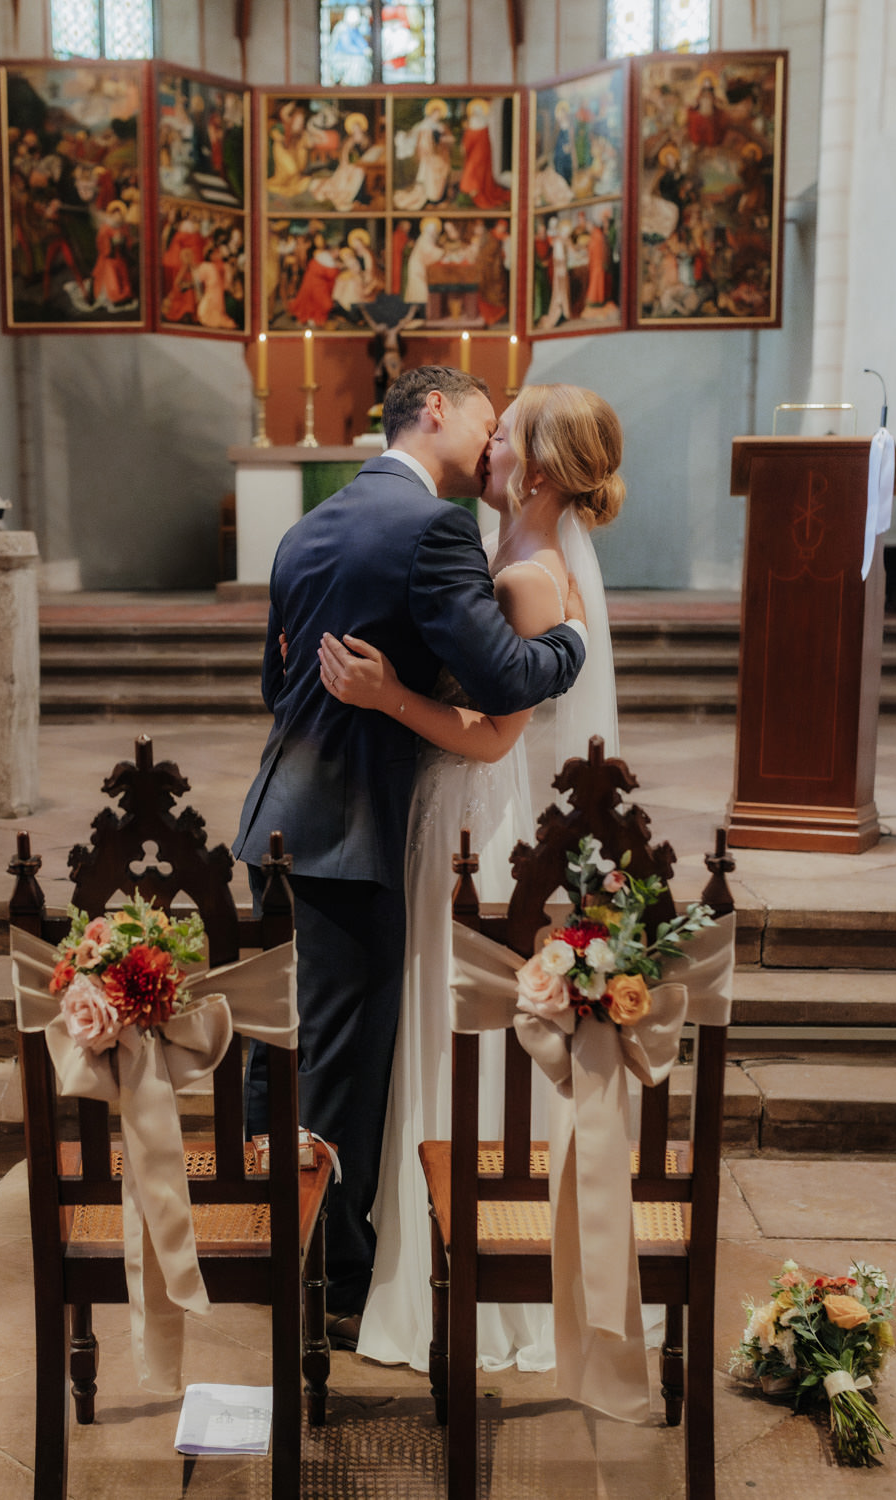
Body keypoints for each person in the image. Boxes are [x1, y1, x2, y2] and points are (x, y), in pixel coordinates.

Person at [231, 367, 588, 1341]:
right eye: (486, 419)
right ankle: (331, 1282)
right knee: (340, 1063)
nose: (491, 439)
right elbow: (507, 677)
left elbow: (274, 684)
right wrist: (573, 644)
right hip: (351, 831)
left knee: (285, 1046)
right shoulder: (433, 528)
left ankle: (275, 1236)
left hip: (281, 818)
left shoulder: (309, 527)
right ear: (436, 409)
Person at [317, 385, 623, 1371]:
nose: (487, 446)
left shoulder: (529, 577)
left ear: (538, 466)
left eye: (504, 434)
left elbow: (493, 739)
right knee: (431, 1017)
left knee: (452, 1026)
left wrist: (385, 694)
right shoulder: (503, 551)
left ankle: (453, 1261)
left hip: (467, 818)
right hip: (442, 811)